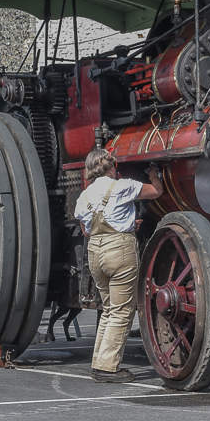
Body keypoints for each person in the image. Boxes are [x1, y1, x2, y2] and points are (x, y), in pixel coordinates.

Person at [73, 148, 163, 383]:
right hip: (119, 249)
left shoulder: (84, 196)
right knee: (123, 310)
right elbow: (155, 192)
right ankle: (108, 368)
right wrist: (154, 174)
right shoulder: (123, 186)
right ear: (112, 167)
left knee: (109, 309)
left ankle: (99, 362)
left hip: (95, 251)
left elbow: (86, 229)